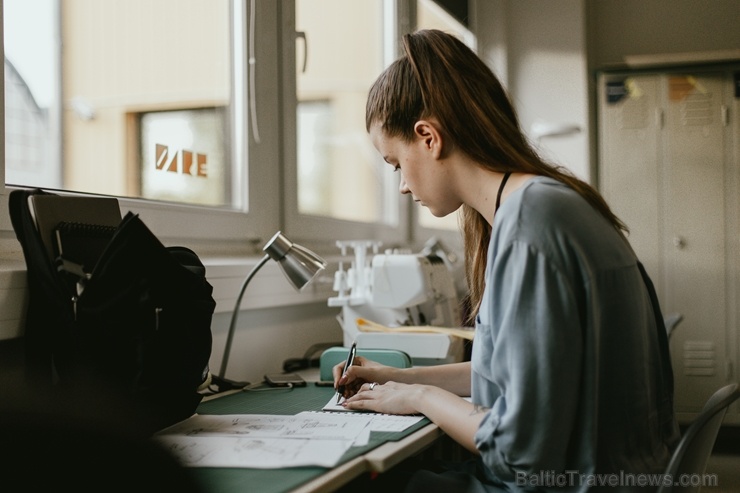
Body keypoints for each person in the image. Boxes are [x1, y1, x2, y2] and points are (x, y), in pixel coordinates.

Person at [333, 29, 679, 492]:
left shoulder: (532, 224)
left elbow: (519, 451)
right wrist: (395, 377)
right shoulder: (543, 203)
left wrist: (419, 396)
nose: (401, 186)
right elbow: (510, 375)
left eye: (396, 163)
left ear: (428, 136)